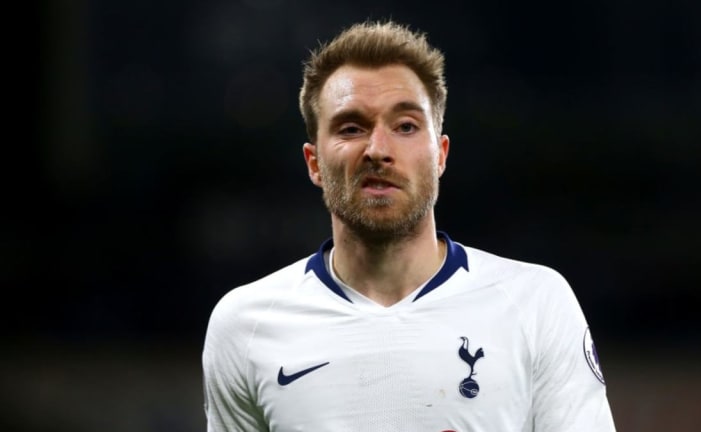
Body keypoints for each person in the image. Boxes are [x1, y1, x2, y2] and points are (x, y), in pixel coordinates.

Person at [202, 19, 616, 432]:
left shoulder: (535, 304)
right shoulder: (246, 326)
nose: (378, 150)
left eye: (405, 127)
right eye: (351, 128)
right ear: (314, 163)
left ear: (441, 154)